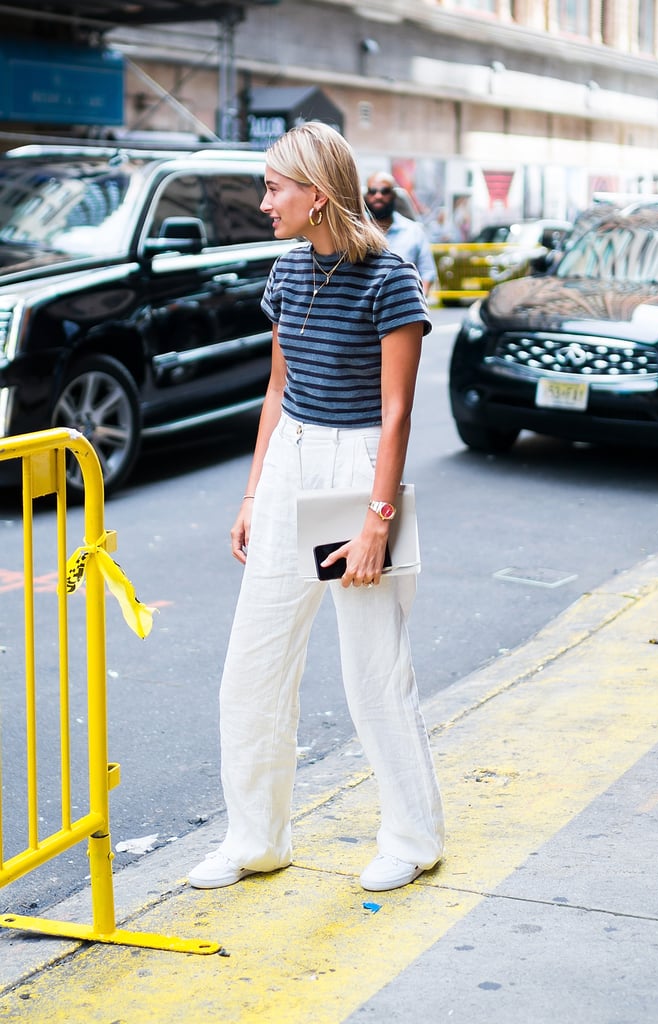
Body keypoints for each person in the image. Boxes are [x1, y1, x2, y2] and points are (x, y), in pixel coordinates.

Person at [188, 121, 444, 894]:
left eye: (274, 188)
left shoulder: (390, 279)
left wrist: (376, 520)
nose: (264, 203)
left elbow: (396, 413)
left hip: (357, 466)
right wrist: (253, 490)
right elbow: (277, 387)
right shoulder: (287, 273)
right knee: (253, 666)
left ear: (317, 195)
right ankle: (256, 839)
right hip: (293, 458)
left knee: (373, 669)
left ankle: (412, 837)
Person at [364, 172, 437, 295]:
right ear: (366, 196)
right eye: (372, 191)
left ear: (393, 196)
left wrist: (418, 304)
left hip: (404, 309)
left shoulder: (414, 231)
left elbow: (427, 273)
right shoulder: (355, 231)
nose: (378, 196)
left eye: (385, 191)